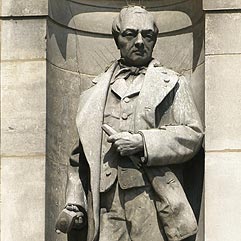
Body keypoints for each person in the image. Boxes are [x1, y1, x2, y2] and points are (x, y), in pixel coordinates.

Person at [62, 6, 203, 241]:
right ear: (117, 39)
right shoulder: (94, 92)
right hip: (105, 204)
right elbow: (79, 158)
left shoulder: (172, 83)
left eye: (147, 35)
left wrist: (142, 142)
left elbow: (193, 134)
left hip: (152, 198)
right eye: (130, 34)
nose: (139, 41)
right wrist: (75, 202)